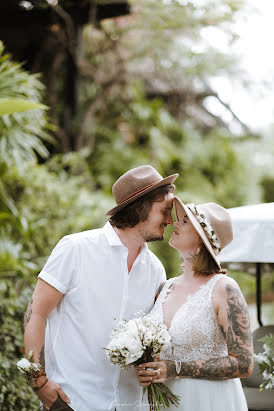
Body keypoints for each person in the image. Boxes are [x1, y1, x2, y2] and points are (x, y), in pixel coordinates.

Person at [22, 165, 178, 411]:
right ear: (141, 207)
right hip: (73, 401)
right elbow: (36, 313)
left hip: (130, 404)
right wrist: (39, 383)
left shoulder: (156, 269)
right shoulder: (75, 249)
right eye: (165, 211)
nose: (171, 220)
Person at [137, 196, 254, 411]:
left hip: (208, 400)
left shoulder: (224, 288)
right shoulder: (165, 288)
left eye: (184, 221)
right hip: (165, 401)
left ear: (202, 238)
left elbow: (244, 364)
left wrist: (177, 368)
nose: (174, 223)